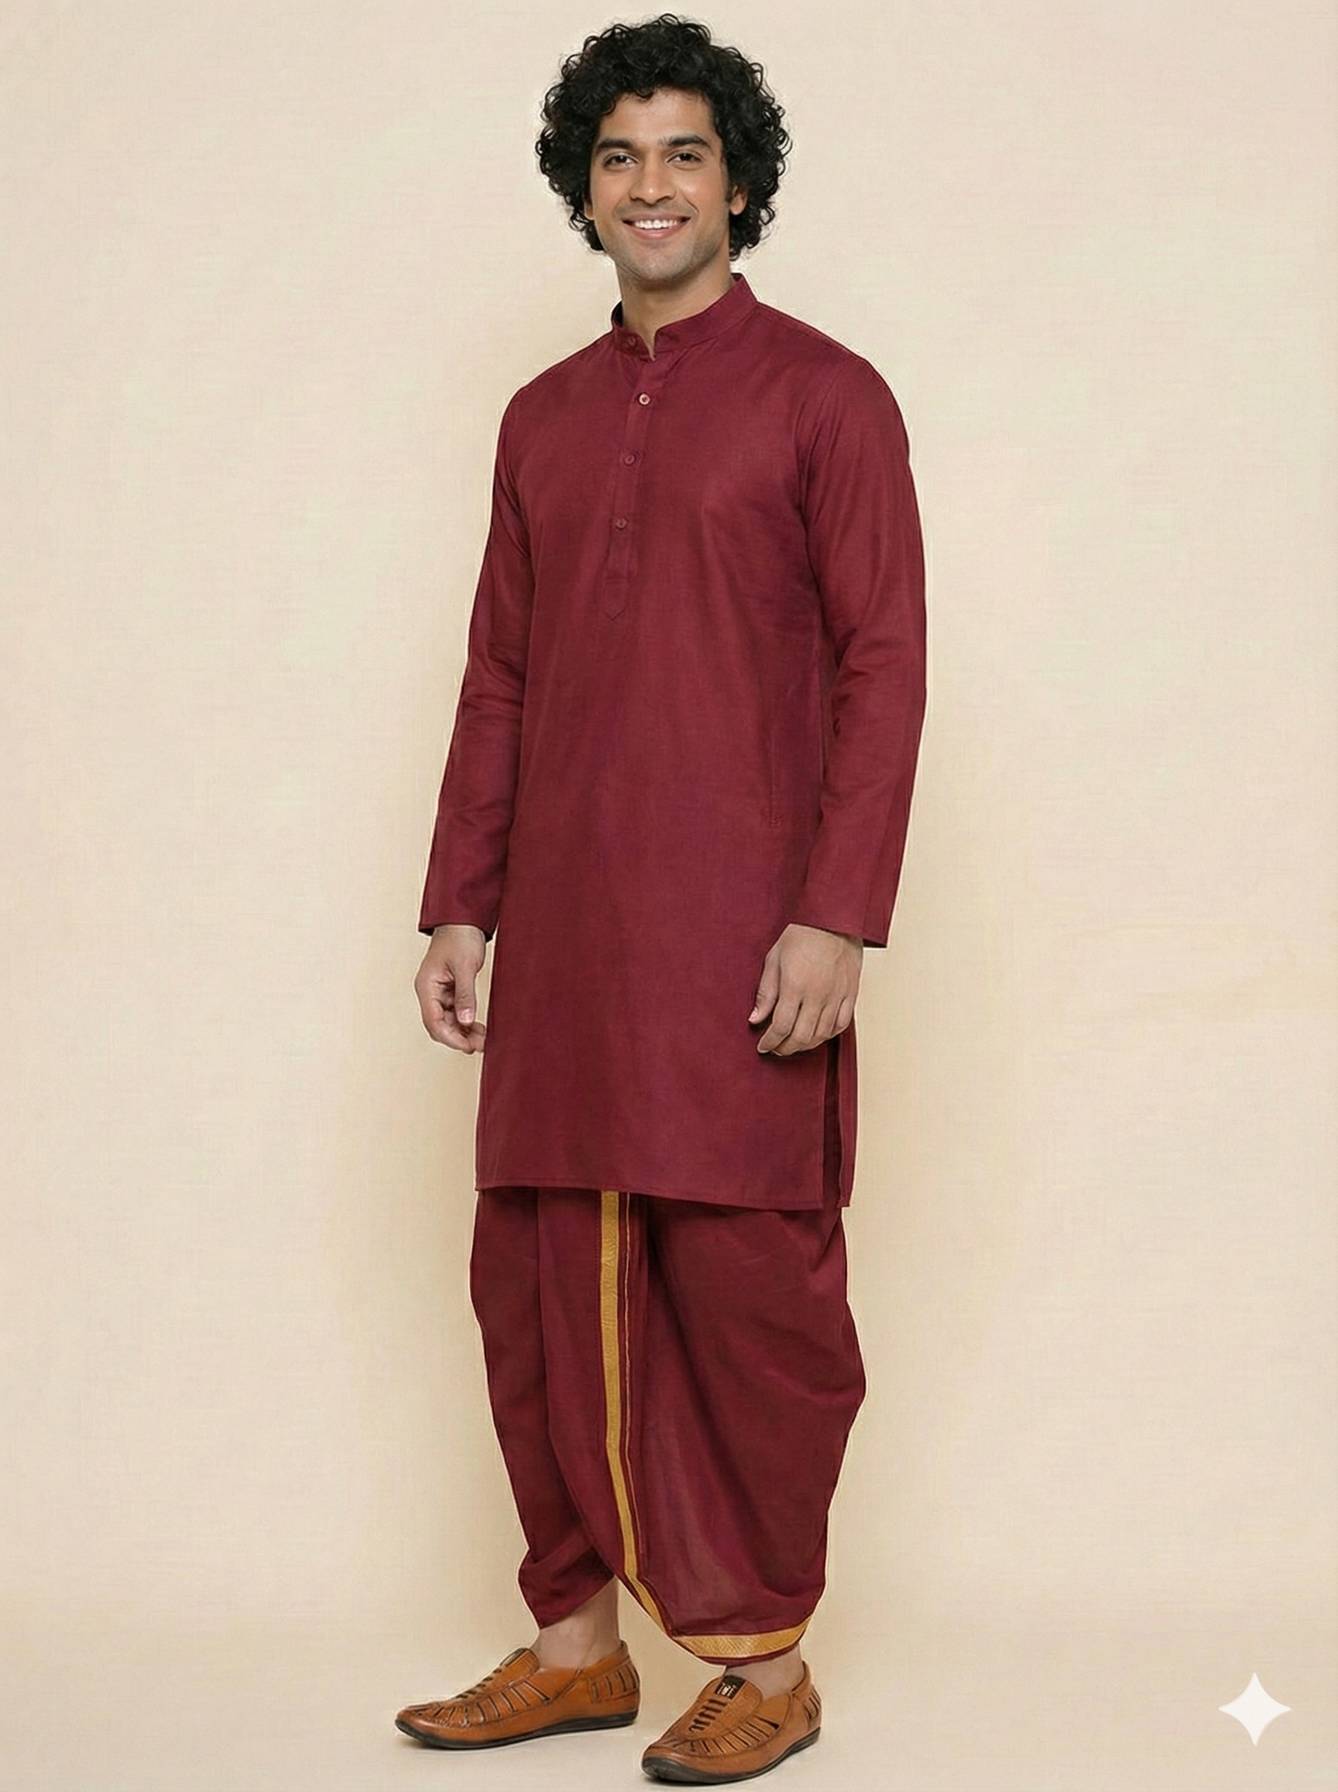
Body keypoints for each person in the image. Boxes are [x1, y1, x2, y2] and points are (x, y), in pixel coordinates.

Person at [397, 15, 927, 1784]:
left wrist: (836, 912)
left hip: (742, 928)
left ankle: (763, 1659)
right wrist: (460, 904)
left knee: (750, 1289)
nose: (650, 185)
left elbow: (883, 663)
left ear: (738, 185)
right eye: (618, 156)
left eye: (683, 153)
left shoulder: (826, 399)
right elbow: (500, 672)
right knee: (537, 1275)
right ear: (584, 189)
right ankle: (575, 1647)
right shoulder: (540, 418)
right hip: (562, 932)